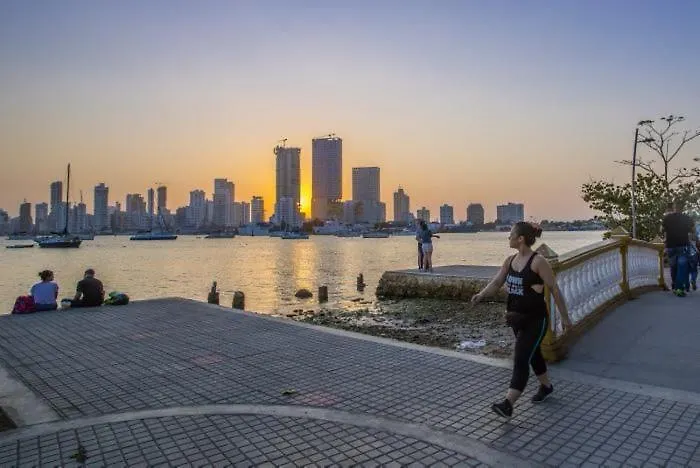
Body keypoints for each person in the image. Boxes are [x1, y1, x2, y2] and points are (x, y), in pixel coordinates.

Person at [471, 222, 572, 418]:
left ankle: (508, 403)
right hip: (516, 319)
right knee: (533, 355)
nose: (508, 238)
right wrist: (481, 295)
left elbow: (555, 289)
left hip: (536, 320)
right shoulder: (510, 261)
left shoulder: (538, 262)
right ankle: (546, 386)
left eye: (511, 234)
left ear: (521, 239)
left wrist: (565, 319)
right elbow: (497, 282)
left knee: (520, 358)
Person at [661, 200, 694, 297]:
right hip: (682, 245)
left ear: (673, 208)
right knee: (681, 267)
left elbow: (662, 230)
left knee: (673, 266)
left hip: (670, 246)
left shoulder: (667, 218)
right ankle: (678, 288)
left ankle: (675, 285)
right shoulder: (687, 218)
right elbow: (692, 230)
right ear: (683, 208)